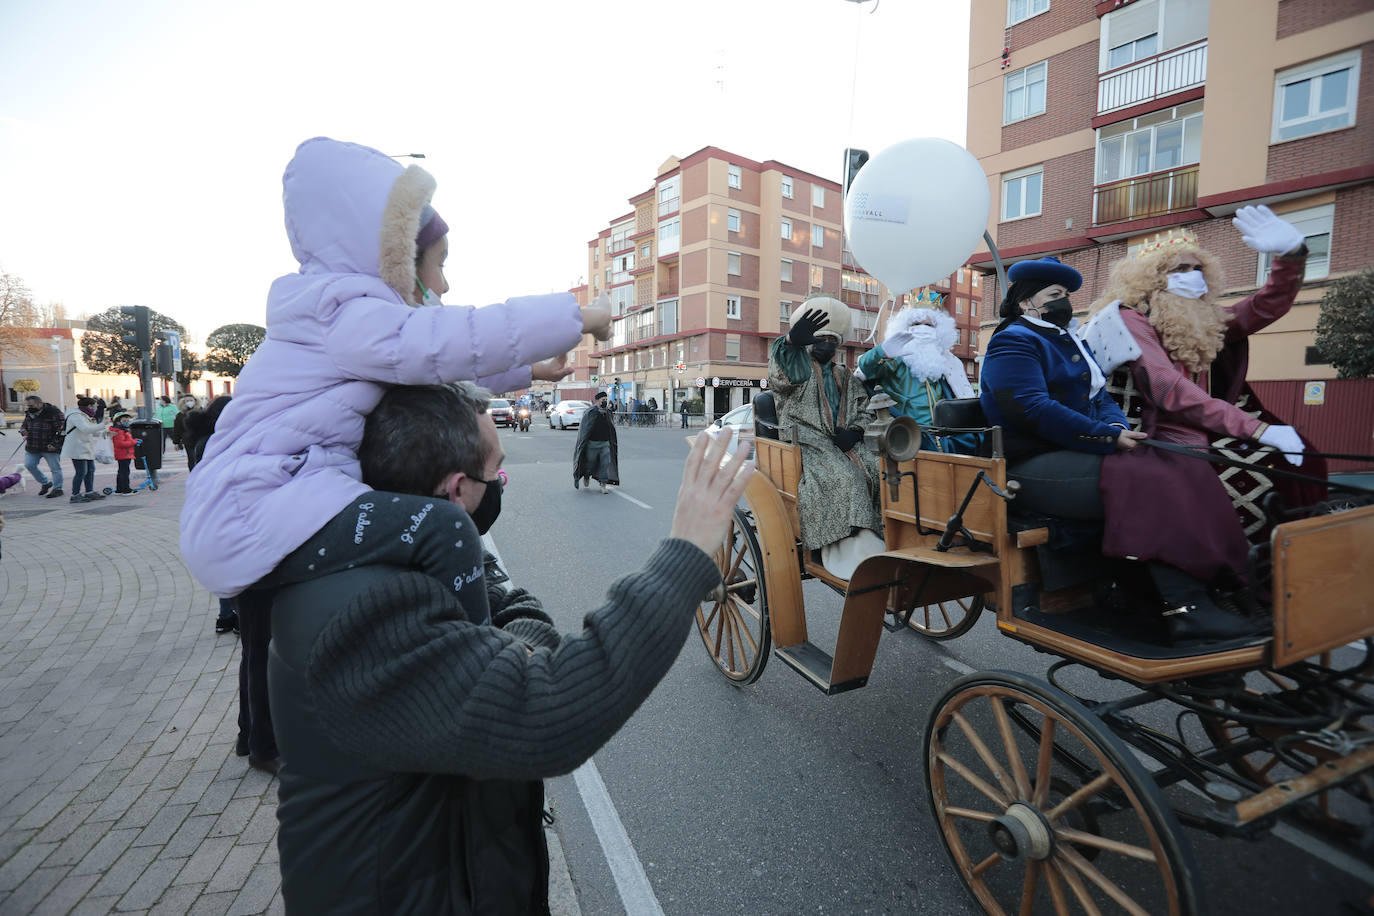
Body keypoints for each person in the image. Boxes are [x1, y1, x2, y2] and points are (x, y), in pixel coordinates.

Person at [268, 381, 753, 914]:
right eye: (495, 473)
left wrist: (507, 625)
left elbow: (515, 628)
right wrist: (684, 553)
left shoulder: (412, 557)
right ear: (456, 492)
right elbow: (548, 706)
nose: (501, 482)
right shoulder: (365, 615)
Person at [179, 137, 613, 601]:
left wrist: (532, 372)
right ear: (395, 256)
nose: (445, 283)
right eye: (440, 264)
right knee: (444, 530)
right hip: (257, 512)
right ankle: (481, 665)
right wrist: (578, 318)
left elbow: (438, 365)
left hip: (268, 504)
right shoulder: (346, 314)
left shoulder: (342, 317)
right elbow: (454, 341)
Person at [980, 256, 1255, 645]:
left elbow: (1099, 397)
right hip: (1028, 461)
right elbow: (1029, 408)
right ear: (1027, 302)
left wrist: (1115, 426)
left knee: (1184, 466)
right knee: (1150, 480)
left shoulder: (1063, 338)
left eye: (1067, 295)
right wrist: (1103, 437)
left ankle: (1220, 583)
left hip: (1073, 449)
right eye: (1054, 295)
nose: (1064, 301)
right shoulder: (1013, 339)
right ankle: (1185, 609)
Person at [1084, 209, 1319, 588]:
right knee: (1217, 482)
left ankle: (1281, 567)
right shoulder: (1129, 318)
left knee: (1301, 463)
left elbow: (1263, 307)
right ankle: (1223, 582)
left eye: (1197, 268)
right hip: (1156, 437)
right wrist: (1259, 430)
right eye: (1179, 269)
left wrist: (1290, 257)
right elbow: (1167, 387)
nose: (1191, 276)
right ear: (1152, 279)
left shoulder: (1204, 316)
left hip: (1211, 429)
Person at [768, 295, 882, 579]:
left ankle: (878, 538)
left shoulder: (845, 374)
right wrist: (791, 343)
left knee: (879, 469)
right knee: (844, 477)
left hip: (843, 441)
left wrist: (855, 431)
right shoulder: (800, 368)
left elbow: (863, 409)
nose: (826, 344)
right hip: (805, 439)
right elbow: (783, 376)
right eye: (820, 338)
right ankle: (840, 546)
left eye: (832, 339)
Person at [854, 297, 976, 452]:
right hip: (906, 438)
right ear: (905, 327)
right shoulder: (895, 360)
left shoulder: (947, 363)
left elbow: (964, 399)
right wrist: (882, 351)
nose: (923, 329)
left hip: (944, 439)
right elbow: (865, 369)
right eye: (916, 324)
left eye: (928, 325)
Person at [61, 397, 110, 503]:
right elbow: (86, 429)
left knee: (90, 470)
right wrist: (103, 424)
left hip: (86, 447)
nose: (96, 408)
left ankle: (89, 492)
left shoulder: (86, 415)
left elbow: (92, 431)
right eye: (95, 406)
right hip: (77, 448)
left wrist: (104, 433)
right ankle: (75, 495)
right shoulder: (75, 416)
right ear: (89, 406)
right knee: (81, 472)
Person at [573, 390, 619, 493]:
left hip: (605, 443)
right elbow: (585, 429)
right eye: (603, 400)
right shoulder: (590, 412)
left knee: (605, 463)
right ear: (598, 401)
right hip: (592, 444)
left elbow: (611, 428)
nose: (605, 402)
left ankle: (603, 484)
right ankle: (586, 475)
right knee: (590, 463)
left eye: (606, 400)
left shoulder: (607, 412)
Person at [19, 395, 64, 499]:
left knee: (55, 469)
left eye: (31, 405)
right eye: (28, 405)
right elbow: (24, 425)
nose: (29, 408)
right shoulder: (29, 413)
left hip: (50, 446)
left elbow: (62, 429)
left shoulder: (54, 412)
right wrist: (22, 431)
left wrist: (55, 444)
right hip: (32, 446)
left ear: (40, 403)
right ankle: (45, 483)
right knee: (29, 465)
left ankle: (58, 489)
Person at [108, 412, 137, 495]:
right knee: (124, 472)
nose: (127, 422)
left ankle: (119, 489)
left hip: (125, 454)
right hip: (123, 454)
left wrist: (133, 441)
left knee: (121, 471)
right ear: (117, 422)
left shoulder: (123, 430)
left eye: (128, 420)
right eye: (124, 420)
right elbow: (121, 444)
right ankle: (126, 489)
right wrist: (134, 442)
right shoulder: (119, 431)